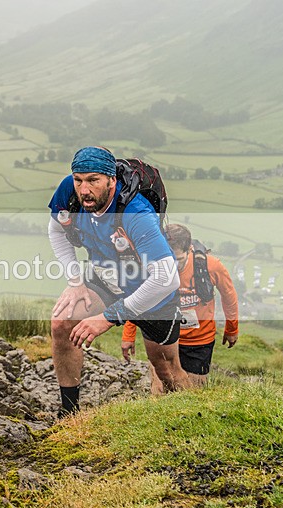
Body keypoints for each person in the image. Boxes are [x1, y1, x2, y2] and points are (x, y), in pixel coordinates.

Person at [48, 146, 191, 418]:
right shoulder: (69, 190)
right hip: (106, 276)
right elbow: (55, 230)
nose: (84, 189)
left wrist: (109, 317)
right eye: (79, 180)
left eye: (93, 180)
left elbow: (167, 278)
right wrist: (75, 281)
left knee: (166, 369)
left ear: (112, 180)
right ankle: (69, 415)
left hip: (151, 290)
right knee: (62, 323)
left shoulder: (136, 213)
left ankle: (189, 418)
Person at [121, 224, 239, 389]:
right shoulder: (152, 267)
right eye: (168, 259)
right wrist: (128, 335)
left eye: (178, 260)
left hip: (198, 341)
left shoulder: (211, 266)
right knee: (160, 390)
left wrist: (232, 329)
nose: (172, 266)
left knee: (192, 392)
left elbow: (229, 295)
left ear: (190, 249)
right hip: (164, 337)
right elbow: (138, 300)